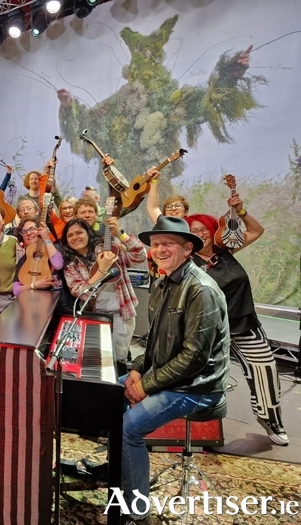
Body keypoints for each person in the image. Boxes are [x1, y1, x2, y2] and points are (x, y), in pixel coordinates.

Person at [120, 216, 230, 524]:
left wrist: (146, 385)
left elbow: (194, 358)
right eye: (155, 245)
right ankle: (123, 473)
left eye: (167, 244)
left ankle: (136, 511)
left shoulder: (200, 290)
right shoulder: (161, 283)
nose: (159, 249)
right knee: (106, 390)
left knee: (129, 428)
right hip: (168, 377)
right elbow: (154, 339)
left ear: (187, 250)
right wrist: (137, 369)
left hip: (197, 388)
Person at [186, 208, 287, 445]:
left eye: (203, 228)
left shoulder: (227, 250)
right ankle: (193, 431)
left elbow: (256, 230)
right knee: (195, 377)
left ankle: (272, 421)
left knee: (266, 371)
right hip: (210, 330)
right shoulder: (187, 261)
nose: (200, 233)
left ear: (213, 230)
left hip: (243, 324)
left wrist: (240, 211)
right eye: (193, 231)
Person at [62, 217, 146, 361]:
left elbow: (140, 255)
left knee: (118, 359)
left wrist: (120, 233)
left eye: (79, 232)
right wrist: (102, 269)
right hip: (93, 316)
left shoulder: (111, 251)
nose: (75, 237)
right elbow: (80, 292)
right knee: (97, 359)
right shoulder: (71, 265)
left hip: (121, 314)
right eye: (70, 235)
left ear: (88, 233)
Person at [12, 215, 65, 298]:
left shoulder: (52, 250)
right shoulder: (23, 260)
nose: (28, 233)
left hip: (58, 301)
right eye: (24, 232)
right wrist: (34, 285)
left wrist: (46, 238)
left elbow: (58, 265)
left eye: (32, 229)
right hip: (31, 303)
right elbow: (16, 290)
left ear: (40, 230)